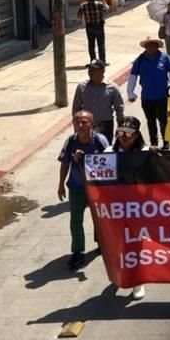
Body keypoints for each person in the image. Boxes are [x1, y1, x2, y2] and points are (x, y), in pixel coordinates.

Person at [111, 115, 156, 299]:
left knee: (135, 244)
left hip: (138, 208)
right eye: (120, 132)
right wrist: (81, 160)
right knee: (119, 245)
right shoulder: (108, 153)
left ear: (137, 135)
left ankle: (138, 282)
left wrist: (155, 157)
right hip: (116, 209)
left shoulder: (147, 153)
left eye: (128, 133)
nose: (124, 136)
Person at [57, 110, 109, 269]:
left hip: (97, 188)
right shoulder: (71, 141)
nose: (80, 125)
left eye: (84, 122)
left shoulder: (100, 141)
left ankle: (102, 244)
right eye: (77, 122)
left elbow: (110, 161)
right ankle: (78, 252)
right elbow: (64, 163)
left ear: (91, 124)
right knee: (76, 220)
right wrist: (60, 184)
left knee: (100, 219)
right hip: (77, 187)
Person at [126, 36, 170, 149]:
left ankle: (166, 142)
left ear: (157, 46)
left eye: (153, 45)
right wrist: (130, 93)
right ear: (145, 47)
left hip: (161, 97)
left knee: (163, 121)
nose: (150, 47)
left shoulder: (164, 58)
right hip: (146, 98)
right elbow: (132, 76)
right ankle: (153, 143)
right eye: (148, 45)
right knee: (150, 122)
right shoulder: (140, 59)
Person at [71, 59, 124, 141]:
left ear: (102, 71)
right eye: (89, 70)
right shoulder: (81, 87)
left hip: (105, 126)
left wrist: (120, 127)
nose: (90, 72)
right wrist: (76, 126)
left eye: (94, 70)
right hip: (86, 125)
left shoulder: (112, 88)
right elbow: (76, 108)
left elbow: (119, 108)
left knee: (105, 150)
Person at [77, 0, 110, 64]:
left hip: (89, 27)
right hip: (99, 26)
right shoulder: (99, 4)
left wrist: (85, 20)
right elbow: (107, 8)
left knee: (91, 45)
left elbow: (79, 17)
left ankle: (93, 61)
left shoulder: (83, 5)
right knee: (101, 44)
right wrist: (103, 0)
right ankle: (102, 61)